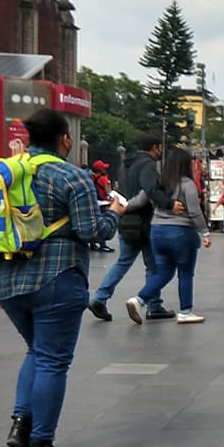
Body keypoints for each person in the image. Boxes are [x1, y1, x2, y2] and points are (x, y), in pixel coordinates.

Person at [0, 109, 125, 447]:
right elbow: (93, 230)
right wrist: (115, 214)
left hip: (5, 279)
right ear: (64, 139)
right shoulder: (72, 177)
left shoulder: (2, 173)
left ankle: (22, 424)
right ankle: (41, 445)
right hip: (55, 278)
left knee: (37, 351)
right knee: (52, 359)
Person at [89, 133, 176, 322]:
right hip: (144, 221)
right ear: (155, 147)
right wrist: (169, 204)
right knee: (153, 264)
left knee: (123, 261)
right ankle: (153, 305)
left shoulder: (125, 164)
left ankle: (99, 297)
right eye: (160, 147)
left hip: (126, 218)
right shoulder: (147, 165)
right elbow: (150, 190)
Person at [125, 147, 210, 323]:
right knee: (185, 272)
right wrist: (205, 232)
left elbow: (140, 200)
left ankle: (139, 300)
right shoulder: (187, 184)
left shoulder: (158, 182)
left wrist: (120, 207)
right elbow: (194, 211)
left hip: (156, 232)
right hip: (181, 232)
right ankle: (186, 311)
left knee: (163, 272)